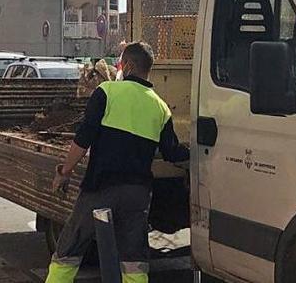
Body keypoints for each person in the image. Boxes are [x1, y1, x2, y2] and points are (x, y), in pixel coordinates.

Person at [46, 41, 189, 283]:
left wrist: (64, 171)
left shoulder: (107, 92)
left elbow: (83, 139)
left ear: (129, 66)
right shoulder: (161, 108)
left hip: (100, 187)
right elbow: (172, 153)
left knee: (70, 247)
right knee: (134, 259)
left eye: (121, 62)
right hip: (137, 194)